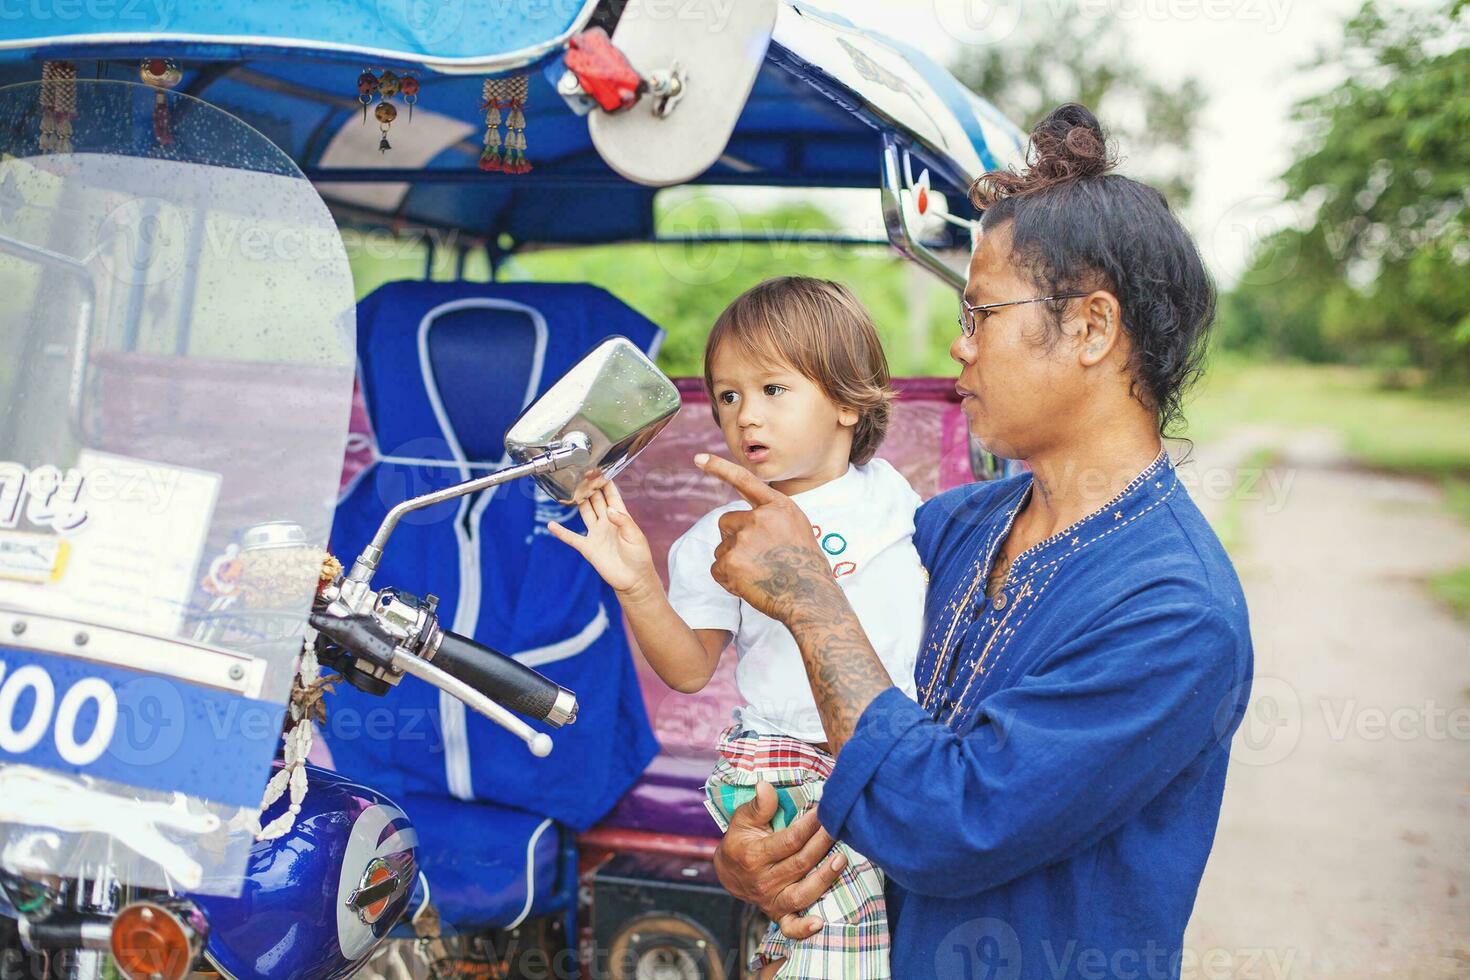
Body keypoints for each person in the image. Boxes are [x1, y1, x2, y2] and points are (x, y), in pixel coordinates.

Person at [699, 104, 1255, 980]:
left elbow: (943, 821)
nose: (959, 348)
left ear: (1092, 329)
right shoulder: (953, 525)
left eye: (981, 313)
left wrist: (811, 597)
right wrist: (752, 858)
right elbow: (832, 762)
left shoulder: (1175, 614)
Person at [550, 276, 925, 978]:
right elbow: (690, 670)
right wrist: (636, 583)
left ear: (848, 400)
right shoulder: (718, 536)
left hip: (896, 760)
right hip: (791, 768)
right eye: (728, 396)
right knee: (837, 953)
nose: (745, 416)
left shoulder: (899, 501)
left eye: (773, 390)